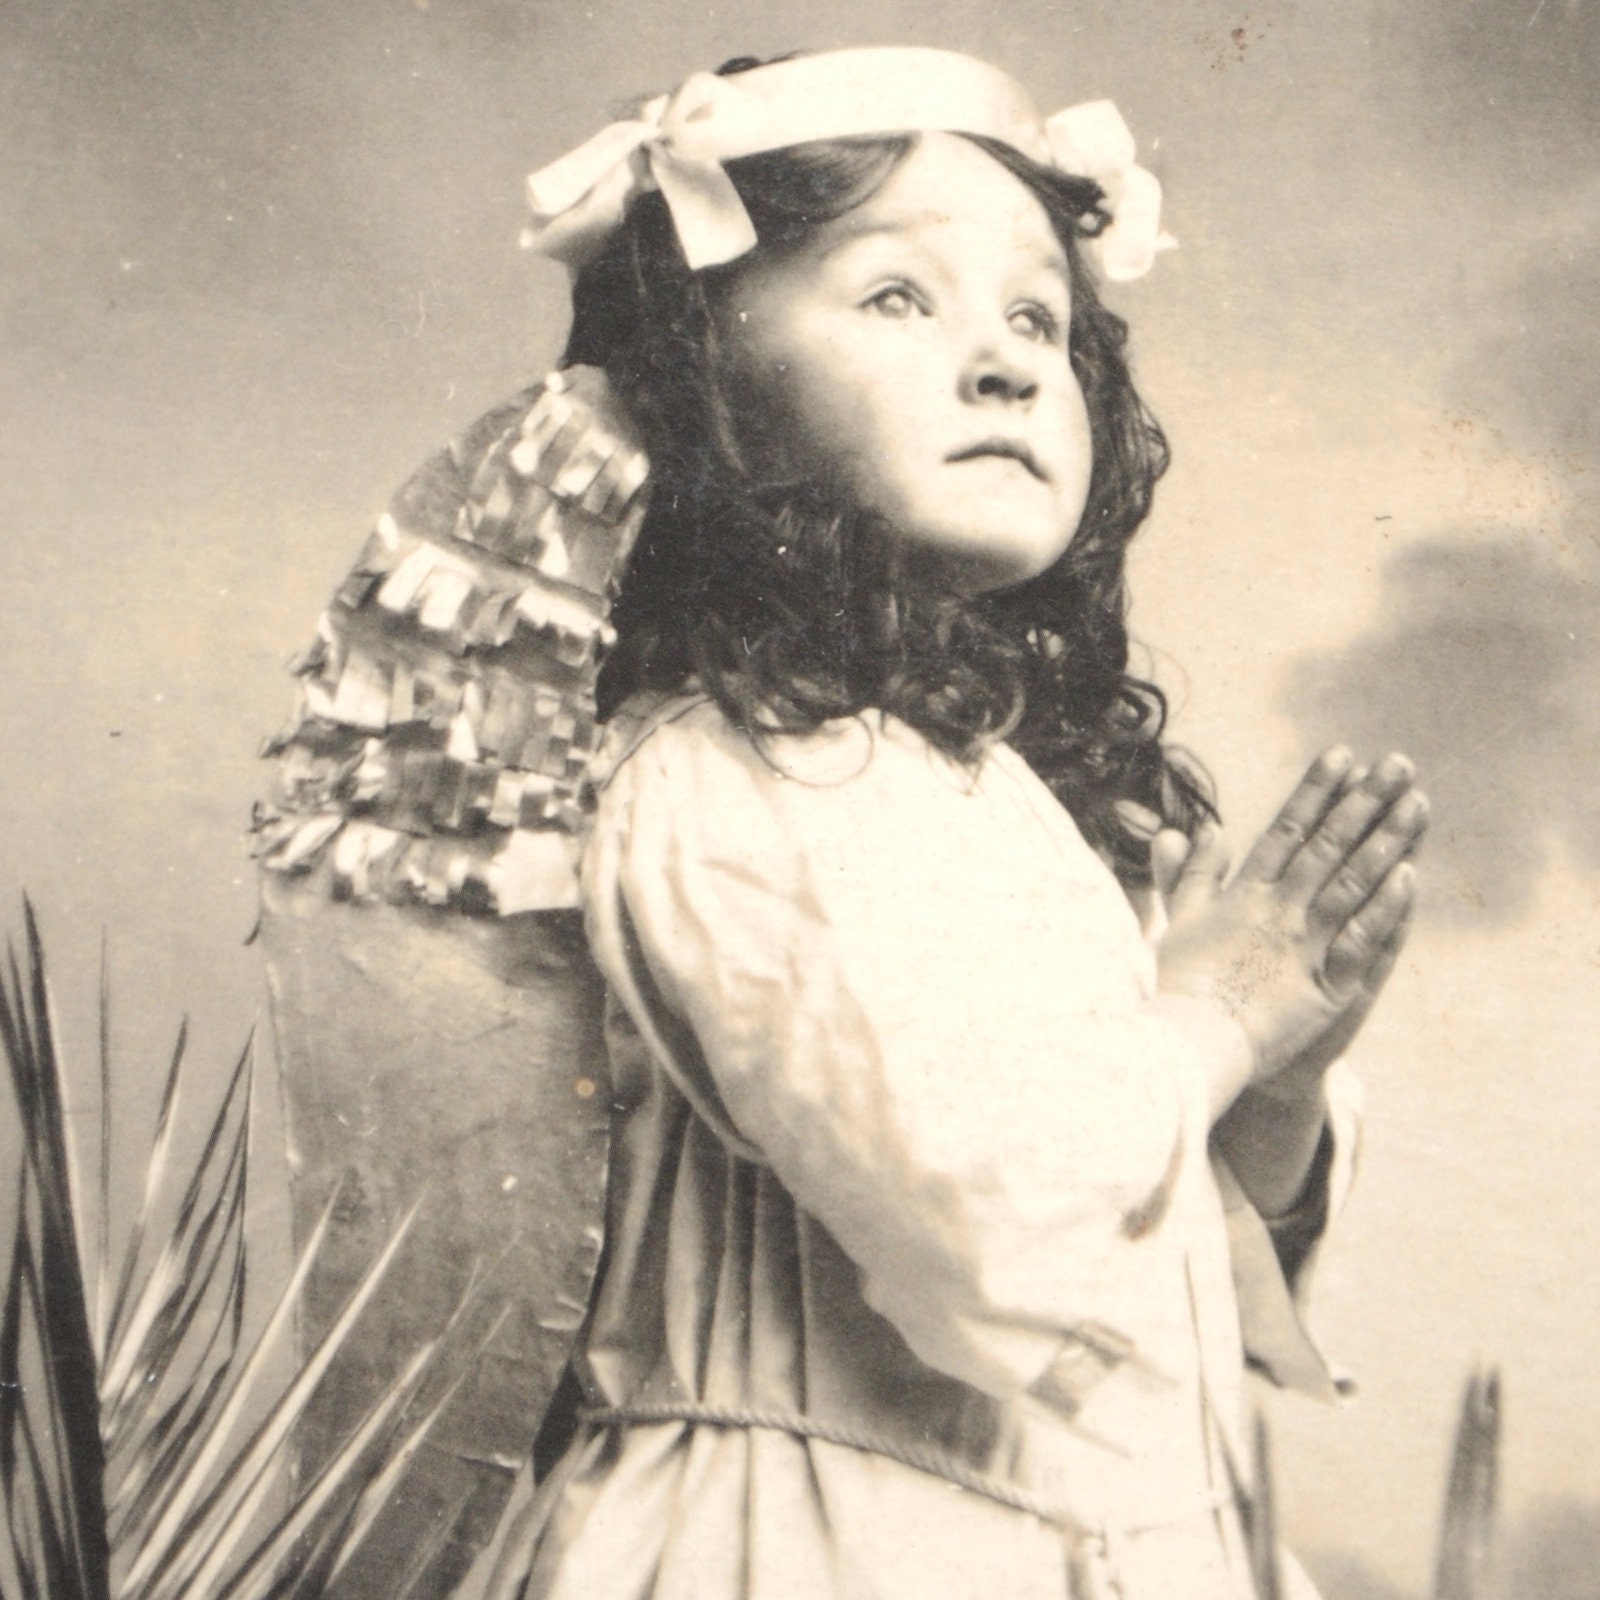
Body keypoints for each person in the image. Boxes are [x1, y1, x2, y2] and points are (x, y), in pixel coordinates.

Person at [454, 47, 1428, 1600]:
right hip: (809, 1545)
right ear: (708, 388)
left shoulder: (996, 791)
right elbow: (988, 1227)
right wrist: (1214, 1016)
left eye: (1038, 318)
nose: (1007, 366)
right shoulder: (727, 771)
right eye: (898, 296)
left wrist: (1272, 1081)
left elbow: (1150, 1280)